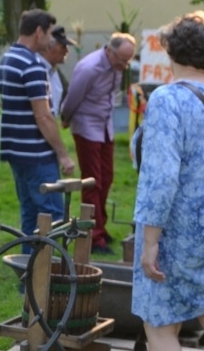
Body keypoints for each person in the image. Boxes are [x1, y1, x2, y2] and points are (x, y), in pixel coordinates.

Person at [131, 11, 204, 350]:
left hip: (176, 231)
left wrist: (150, 242)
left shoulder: (167, 99)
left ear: (170, 50)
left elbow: (160, 178)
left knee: (161, 327)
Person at [0, 9, 76, 254]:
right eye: (50, 34)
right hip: (36, 153)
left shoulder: (8, 58)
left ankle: (28, 279)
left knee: (29, 215)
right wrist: (63, 154)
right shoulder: (32, 65)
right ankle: (46, 280)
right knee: (51, 216)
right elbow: (43, 116)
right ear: (39, 32)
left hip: (14, 150)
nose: (52, 40)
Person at [61, 31, 136, 255]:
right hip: (86, 127)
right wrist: (66, 118)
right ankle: (92, 236)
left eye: (128, 60)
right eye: (122, 60)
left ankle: (99, 225)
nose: (125, 65)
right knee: (92, 182)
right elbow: (72, 97)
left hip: (104, 127)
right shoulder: (89, 68)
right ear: (109, 51)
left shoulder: (115, 66)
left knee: (107, 176)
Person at [37, 25, 78, 117]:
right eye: (63, 46)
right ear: (49, 47)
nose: (67, 51)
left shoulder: (53, 72)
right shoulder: (35, 70)